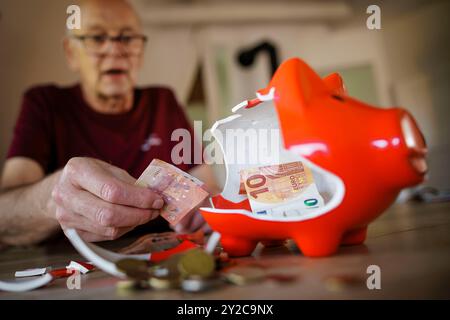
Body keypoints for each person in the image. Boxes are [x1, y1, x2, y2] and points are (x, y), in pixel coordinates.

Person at [0, 0, 218, 246]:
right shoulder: (45, 104)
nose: (115, 50)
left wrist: (204, 208)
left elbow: (206, 186)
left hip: (163, 259)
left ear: (141, 51)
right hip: (73, 268)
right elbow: (4, 217)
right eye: (96, 37)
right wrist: (52, 198)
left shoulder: (163, 101)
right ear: (71, 53)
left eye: (127, 38)